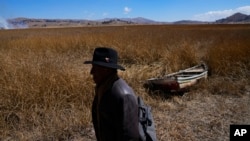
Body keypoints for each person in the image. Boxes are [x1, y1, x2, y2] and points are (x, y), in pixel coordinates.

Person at [84, 47, 139, 141]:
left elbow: (130, 137)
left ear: (107, 70)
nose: (91, 72)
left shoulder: (123, 95)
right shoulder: (103, 88)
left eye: (95, 68)